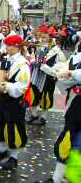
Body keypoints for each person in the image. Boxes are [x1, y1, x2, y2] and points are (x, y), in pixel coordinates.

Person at [35, 52, 81, 183]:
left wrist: (72, 73)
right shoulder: (77, 57)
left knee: (75, 147)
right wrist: (54, 70)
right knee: (67, 144)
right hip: (76, 105)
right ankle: (58, 178)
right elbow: (65, 72)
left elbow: (72, 74)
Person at [0, 35, 31, 170]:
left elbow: (22, 86)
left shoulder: (23, 64)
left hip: (15, 101)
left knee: (13, 130)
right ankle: (2, 151)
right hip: (2, 100)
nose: (6, 48)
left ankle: (13, 158)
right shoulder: (5, 59)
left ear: (17, 46)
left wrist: (6, 87)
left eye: (8, 45)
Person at [27, 27, 66, 126]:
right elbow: (33, 58)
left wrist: (47, 69)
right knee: (34, 95)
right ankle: (34, 115)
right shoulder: (38, 47)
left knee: (46, 97)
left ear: (50, 38)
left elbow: (61, 66)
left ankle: (43, 117)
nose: (42, 38)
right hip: (36, 75)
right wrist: (32, 61)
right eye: (41, 36)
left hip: (48, 78)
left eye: (44, 36)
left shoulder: (56, 51)